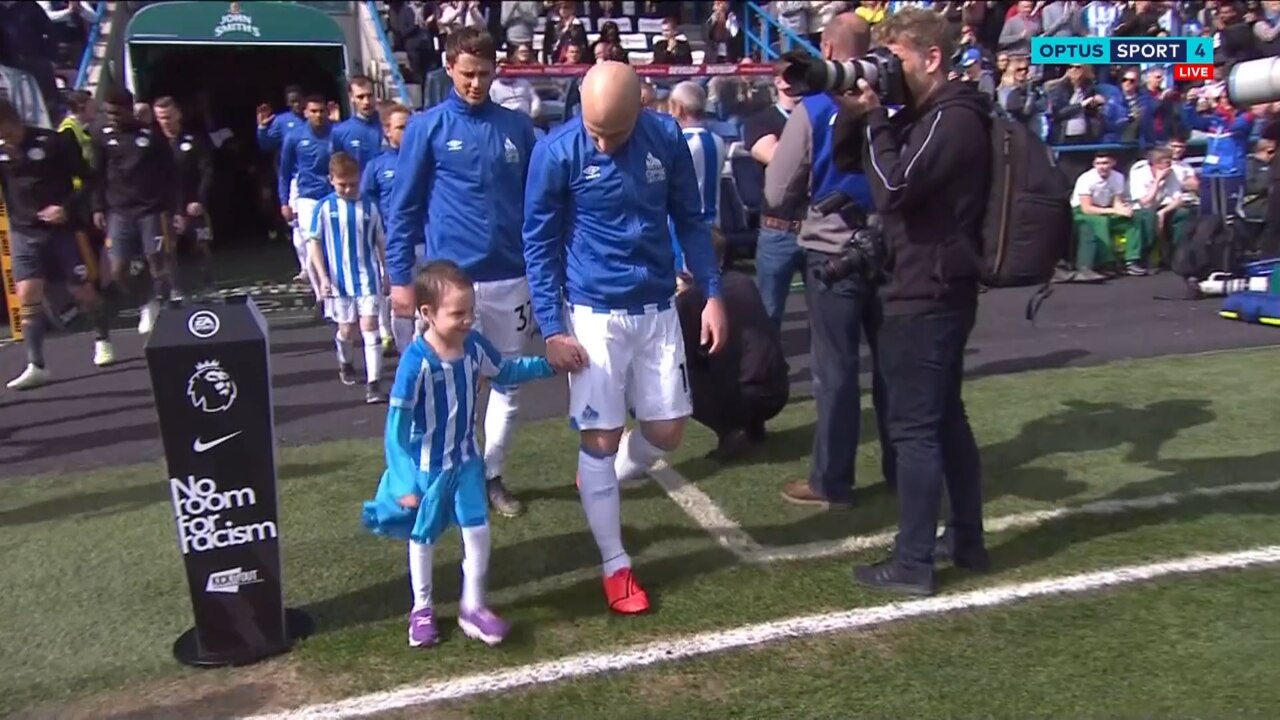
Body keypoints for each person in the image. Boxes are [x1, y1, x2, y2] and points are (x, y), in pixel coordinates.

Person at [523, 61, 727, 614]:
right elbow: (539, 245)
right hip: (593, 315)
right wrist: (552, 328)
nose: (604, 144)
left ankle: (600, 479)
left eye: (614, 133)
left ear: (642, 104)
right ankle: (616, 566)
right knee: (601, 437)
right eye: (595, 132)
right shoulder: (557, 151)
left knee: (666, 431)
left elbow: (690, 217)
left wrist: (711, 293)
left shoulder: (666, 138)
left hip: (659, 306)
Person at [833, 7, 991, 596]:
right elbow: (856, 164)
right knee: (945, 417)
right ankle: (967, 539)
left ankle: (914, 562)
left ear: (932, 59)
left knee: (915, 431)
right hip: (932, 285)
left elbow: (893, 189)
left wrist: (875, 118)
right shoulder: (929, 115)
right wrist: (858, 116)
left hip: (926, 291)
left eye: (896, 58)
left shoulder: (953, 119)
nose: (887, 70)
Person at [360, 260, 555, 648]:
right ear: (427, 314)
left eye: (471, 312)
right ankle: (422, 608)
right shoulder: (415, 364)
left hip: (466, 462)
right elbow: (396, 429)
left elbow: (506, 371)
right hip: (427, 469)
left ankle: (473, 606)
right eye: (458, 313)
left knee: (478, 529)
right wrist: (402, 480)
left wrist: (550, 365)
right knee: (424, 536)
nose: (467, 321)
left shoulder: (474, 348)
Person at [386, 28, 538, 518]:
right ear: (449, 68)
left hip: (512, 276)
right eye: (467, 73)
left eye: (485, 73)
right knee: (441, 385)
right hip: (450, 284)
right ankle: (432, 476)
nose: (476, 83)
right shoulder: (426, 127)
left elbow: (537, 204)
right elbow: (404, 207)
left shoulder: (517, 128)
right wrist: (400, 277)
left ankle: (490, 474)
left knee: (506, 383)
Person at [765, 12, 890, 509]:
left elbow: (777, 189)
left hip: (832, 249)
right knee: (892, 366)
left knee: (835, 369)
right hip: (890, 246)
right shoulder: (895, 101)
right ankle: (905, 468)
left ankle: (832, 480)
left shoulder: (814, 106)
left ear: (830, 53)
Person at [0, 98, 115, 390]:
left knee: (83, 291)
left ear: (14, 120)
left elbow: (89, 180)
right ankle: (36, 363)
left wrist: (65, 206)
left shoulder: (52, 141)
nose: (5, 139)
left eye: (7, 131)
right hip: (24, 231)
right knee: (27, 292)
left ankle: (102, 337)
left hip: (63, 230)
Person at [675, 228, 788, 461]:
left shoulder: (693, 300)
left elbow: (685, 357)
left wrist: (681, 299)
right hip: (778, 389)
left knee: (679, 377)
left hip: (746, 394)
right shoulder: (744, 281)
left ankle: (729, 431)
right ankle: (753, 427)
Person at [90, 85, 181, 335]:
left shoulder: (151, 137)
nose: (112, 118)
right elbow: (96, 174)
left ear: (129, 110)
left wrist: (174, 210)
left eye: (116, 113)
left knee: (157, 261)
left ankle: (164, 311)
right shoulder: (101, 134)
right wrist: (97, 207)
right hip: (119, 211)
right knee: (118, 270)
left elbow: (170, 174)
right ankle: (146, 301)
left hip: (151, 210)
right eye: (108, 113)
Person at [307, 152, 388, 404]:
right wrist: (323, 278)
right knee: (347, 330)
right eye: (343, 184)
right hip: (339, 281)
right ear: (331, 180)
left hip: (367, 278)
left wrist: (386, 272)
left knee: (370, 327)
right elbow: (314, 244)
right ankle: (346, 360)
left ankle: (374, 383)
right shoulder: (324, 208)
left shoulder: (370, 207)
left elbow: (380, 242)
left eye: (353, 183)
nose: (349, 188)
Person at [746, 61, 804, 330]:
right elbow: (777, 157)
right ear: (778, 81)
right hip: (778, 230)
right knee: (768, 314)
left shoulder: (822, 114)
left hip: (817, 227)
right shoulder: (762, 120)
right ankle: (769, 370)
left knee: (827, 319)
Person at [362, 103, 412, 360]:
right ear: (387, 131)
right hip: (395, 245)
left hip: (429, 242)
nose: (407, 132)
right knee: (402, 306)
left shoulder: (427, 161)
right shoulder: (377, 167)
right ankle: (407, 359)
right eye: (401, 127)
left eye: (410, 126)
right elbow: (366, 206)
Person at [153, 96, 216, 297]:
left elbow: (206, 171)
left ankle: (208, 285)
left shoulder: (194, 140)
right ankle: (175, 290)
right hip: (166, 207)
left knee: (201, 244)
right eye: (161, 118)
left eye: (169, 116)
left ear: (178, 114)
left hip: (192, 203)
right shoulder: (153, 144)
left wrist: (199, 199)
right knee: (168, 250)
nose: (166, 121)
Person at [279, 95, 335, 311]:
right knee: (312, 241)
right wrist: (284, 201)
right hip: (307, 196)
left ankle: (334, 284)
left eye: (321, 111)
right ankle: (320, 290)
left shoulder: (336, 132)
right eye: (313, 111)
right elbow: (284, 171)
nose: (318, 115)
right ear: (305, 112)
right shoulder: (294, 137)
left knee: (331, 242)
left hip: (332, 194)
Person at [667, 81, 726, 273]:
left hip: (685, 228)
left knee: (686, 289)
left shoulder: (681, 144)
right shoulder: (718, 141)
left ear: (678, 108)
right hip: (713, 225)